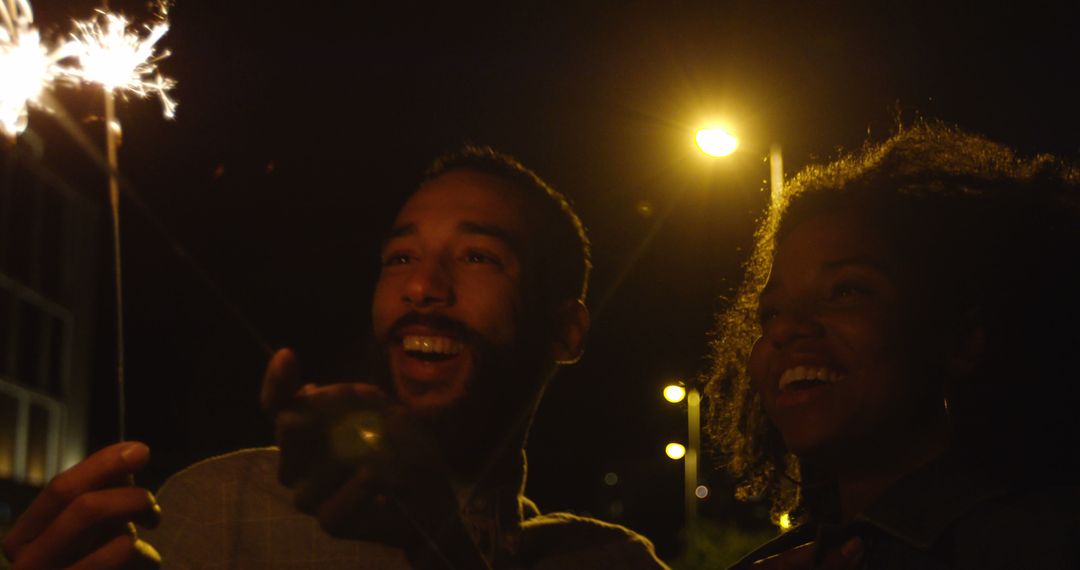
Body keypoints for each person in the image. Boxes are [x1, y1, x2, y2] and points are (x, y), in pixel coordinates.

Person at [2, 146, 667, 569]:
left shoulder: (610, 560)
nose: (422, 286)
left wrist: (441, 548)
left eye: (477, 257)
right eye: (400, 257)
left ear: (566, 332)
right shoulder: (222, 507)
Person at [704, 122, 1080, 569]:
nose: (785, 329)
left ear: (961, 339)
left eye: (846, 291)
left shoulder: (1044, 544)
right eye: (771, 313)